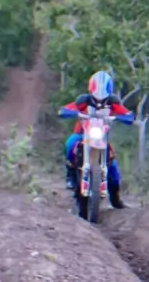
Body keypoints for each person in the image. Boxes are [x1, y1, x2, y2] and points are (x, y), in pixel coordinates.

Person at [58, 70, 135, 209]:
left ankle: (115, 199)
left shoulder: (113, 102)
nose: (99, 101)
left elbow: (127, 114)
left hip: (101, 138)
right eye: (97, 97)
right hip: (82, 134)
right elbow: (68, 108)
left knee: (113, 167)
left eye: (102, 98)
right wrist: (68, 112)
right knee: (70, 144)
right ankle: (70, 176)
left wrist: (123, 117)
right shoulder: (84, 100)